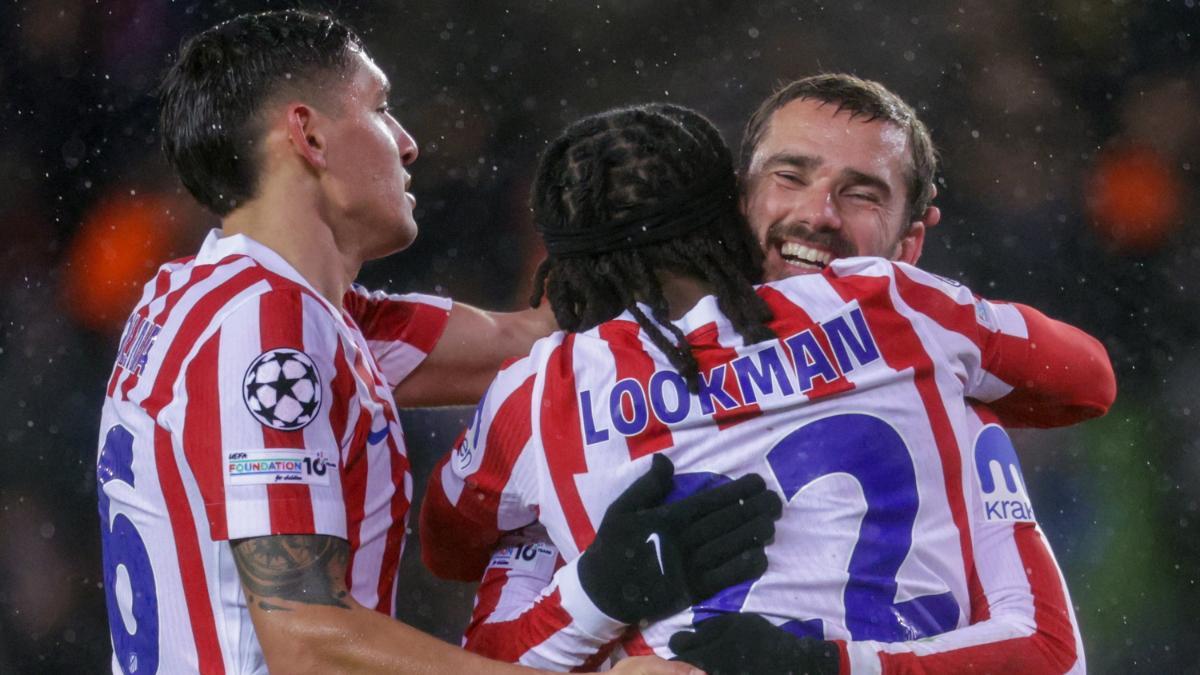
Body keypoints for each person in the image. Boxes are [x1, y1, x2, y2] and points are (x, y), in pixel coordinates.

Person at [96, 9, 778, 674]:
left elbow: (532, 338)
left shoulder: (216, 298)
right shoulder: (267, 328)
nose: (407, 141)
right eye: (381, 107)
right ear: (310, 136)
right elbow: (306, 640)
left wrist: (685, 236)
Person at [418, 99, 1113, 673]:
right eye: (792, 175)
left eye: (861, 191)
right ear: (735, 203)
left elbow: (447, 549)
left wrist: (598, 592)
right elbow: (1089, 380)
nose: (818, 213)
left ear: (912, 240)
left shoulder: (545, 393)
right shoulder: (912, 320)